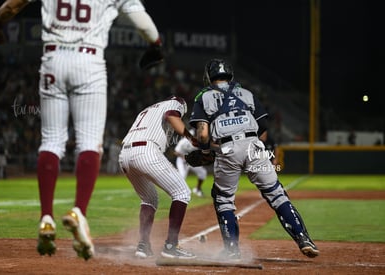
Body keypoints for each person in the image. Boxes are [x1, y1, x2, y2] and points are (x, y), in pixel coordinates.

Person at [0, 0, 163, 260]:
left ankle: (46, 217)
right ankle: (79, 212)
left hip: (52, 59)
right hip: (89, 61)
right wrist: (155, 45)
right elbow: (144, 25)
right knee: (90, 143)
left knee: (51, 142)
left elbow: (12, 6)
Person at [189, 59, 319, 260]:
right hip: (254, 145)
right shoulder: (247, 93)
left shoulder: (203, 97)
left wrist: (206, 152)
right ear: (230, 75)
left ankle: (232, 250)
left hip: (227, 148)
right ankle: (304, 239)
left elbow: (203, 134)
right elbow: (263, 130)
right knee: (276, 194)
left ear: (209, 76)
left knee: (223, 199)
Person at [118, 96, 196, 259]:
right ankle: (171, 246)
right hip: (146, 152)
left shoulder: (146, 110)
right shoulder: (176, 103)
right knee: (182, 193)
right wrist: (192, 138)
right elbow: (171, 116)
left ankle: (143, 245)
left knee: (149, 198)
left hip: (124, 155)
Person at [174, 129, 208, 197]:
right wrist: (183, 156)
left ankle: (197, 189)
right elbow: (175, 152)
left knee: (203, 172)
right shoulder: (184, 141)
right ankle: (177, 193)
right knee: (182, 175)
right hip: (182, 160)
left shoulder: (200, 142)